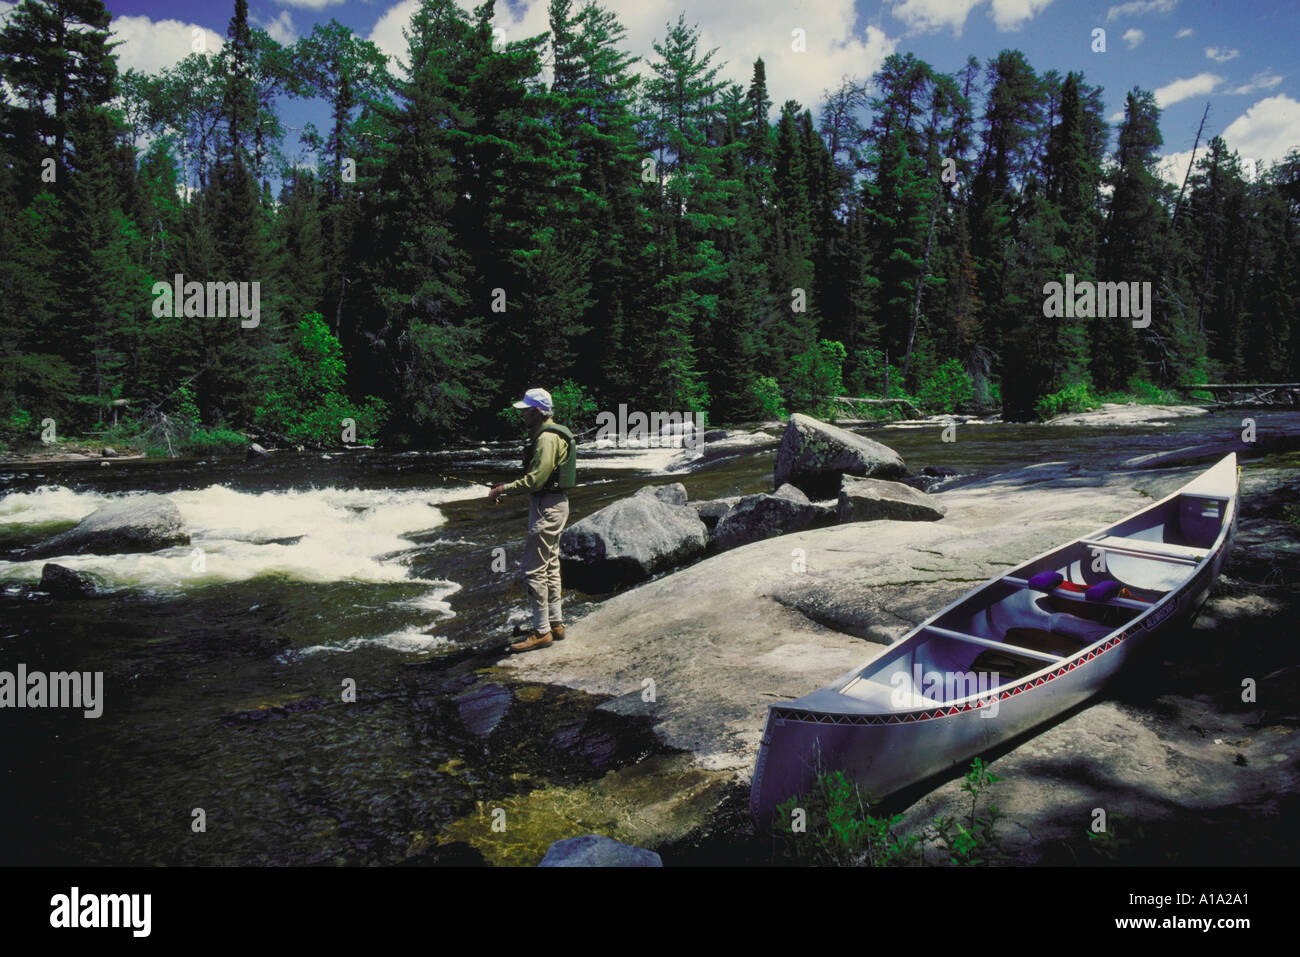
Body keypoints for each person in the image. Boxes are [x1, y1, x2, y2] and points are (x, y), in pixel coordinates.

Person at [489, 388, 577, 653]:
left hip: (547, 506)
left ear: (537, 412)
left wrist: (503, 489)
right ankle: (555, 624)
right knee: (549, 565)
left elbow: (536, 479)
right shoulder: (551, 434)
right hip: (553, 504)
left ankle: (541, 632)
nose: (522, 414)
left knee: (532, 570)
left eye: (525, 410)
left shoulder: (547, 439)